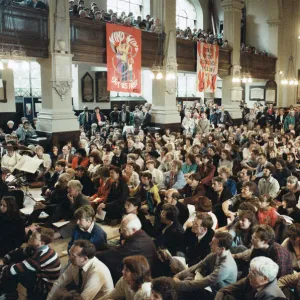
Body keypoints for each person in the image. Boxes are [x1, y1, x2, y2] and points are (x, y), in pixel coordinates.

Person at [0, 228, 60, 300]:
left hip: (43, 287)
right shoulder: (37, 247)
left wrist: (1, 266)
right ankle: (9, 293)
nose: (30, 236)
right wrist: (4, 259)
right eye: (32, 234)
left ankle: (8, 295)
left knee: (14, 271)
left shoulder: (39, 256)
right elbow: (18, 252)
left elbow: (13, 270)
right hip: (40, 275)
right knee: (15, 261)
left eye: (34, 237)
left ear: (42, 243)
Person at [174, 232, 237, 300]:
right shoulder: (214, 254)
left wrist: (178, 284)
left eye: (213, 243)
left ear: (221, 249)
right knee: (187, 276)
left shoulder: (226, 266)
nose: (209, 244)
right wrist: (177, 276)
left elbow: (204, 282)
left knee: (189, 290)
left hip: (219, 293)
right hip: (210, 285)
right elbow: (197, 266)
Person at [96, 214, 158, 283]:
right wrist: (105, 246)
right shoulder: (141, 235)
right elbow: (121, 250)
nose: (122, 232)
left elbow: (115, 255)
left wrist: (94, 254)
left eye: (124, 230)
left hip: (140, 278)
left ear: (134, 229)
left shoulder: (135, 244)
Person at [47, 240, 114, 300]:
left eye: (73, 256)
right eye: (70, 254)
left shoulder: (97, 271)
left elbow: (84, 298)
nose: (69, 258)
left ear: (85, 259)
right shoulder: (76, 263)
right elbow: (59, 282)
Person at [215, 256, 286, 300]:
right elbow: (223, 290)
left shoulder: (271, 296)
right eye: (250, 270)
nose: (249, 275)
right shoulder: (249, 280)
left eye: (253, 273)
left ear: (264, 279)